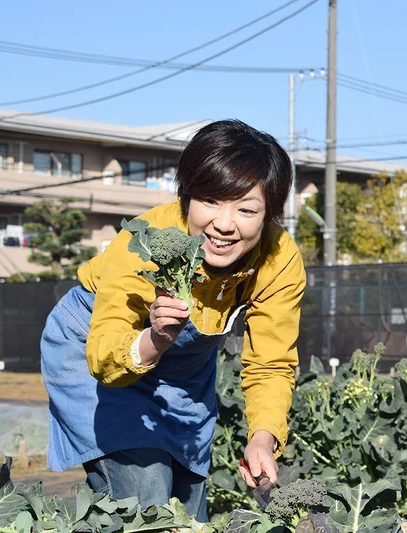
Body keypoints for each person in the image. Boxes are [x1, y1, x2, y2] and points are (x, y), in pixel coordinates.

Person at [40, 119, 306, 521]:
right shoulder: (145, 243)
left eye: (246, 209)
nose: (224, 224)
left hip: (183, 373)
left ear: (270, 214)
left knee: (187, 510)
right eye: (210, 201)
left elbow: (270, 360)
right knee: (145, 496)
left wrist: (262, 439)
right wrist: (156, 339)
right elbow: (104, 354)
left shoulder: (279, 260)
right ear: (186, 196)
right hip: (100, 352)